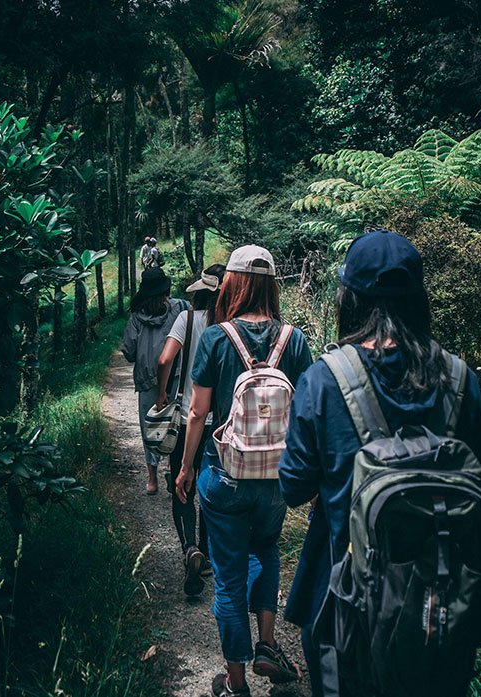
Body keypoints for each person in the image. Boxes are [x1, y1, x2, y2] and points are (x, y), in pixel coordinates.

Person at [278, 229, 481, 697]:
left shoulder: (324, 381)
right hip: (442, 610)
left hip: (346, 611)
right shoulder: (460, 381)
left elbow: (294, 488)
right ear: (418, 299)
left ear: (350, 298)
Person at [176, 245, 313, 697]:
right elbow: (308, 412)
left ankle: (235, 684)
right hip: (276, 476)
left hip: (225, 473)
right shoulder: (294, 339)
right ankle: (268, 645)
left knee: (229, 578)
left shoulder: (217, 338)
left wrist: (186, 467)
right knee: (267, 550)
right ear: (272, 285)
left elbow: (197, 415)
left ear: (231, 283)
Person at [156, 264, 226, 596]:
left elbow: (164, 360)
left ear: (199, 291)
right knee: (210, 488)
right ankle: (207, 554)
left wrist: (161, 392)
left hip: (187, 419)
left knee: (182, 486)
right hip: (222, 426)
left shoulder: (187, 320)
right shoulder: (229, 326)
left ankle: (188, 548)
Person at [121, 267, 188, 494]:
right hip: (176, 377)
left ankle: (152, 479)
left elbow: (128, 352)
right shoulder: (180, 308)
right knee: (176, 424)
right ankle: (172, 468)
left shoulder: (136, 319)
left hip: (148, 379)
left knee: (149, 427)